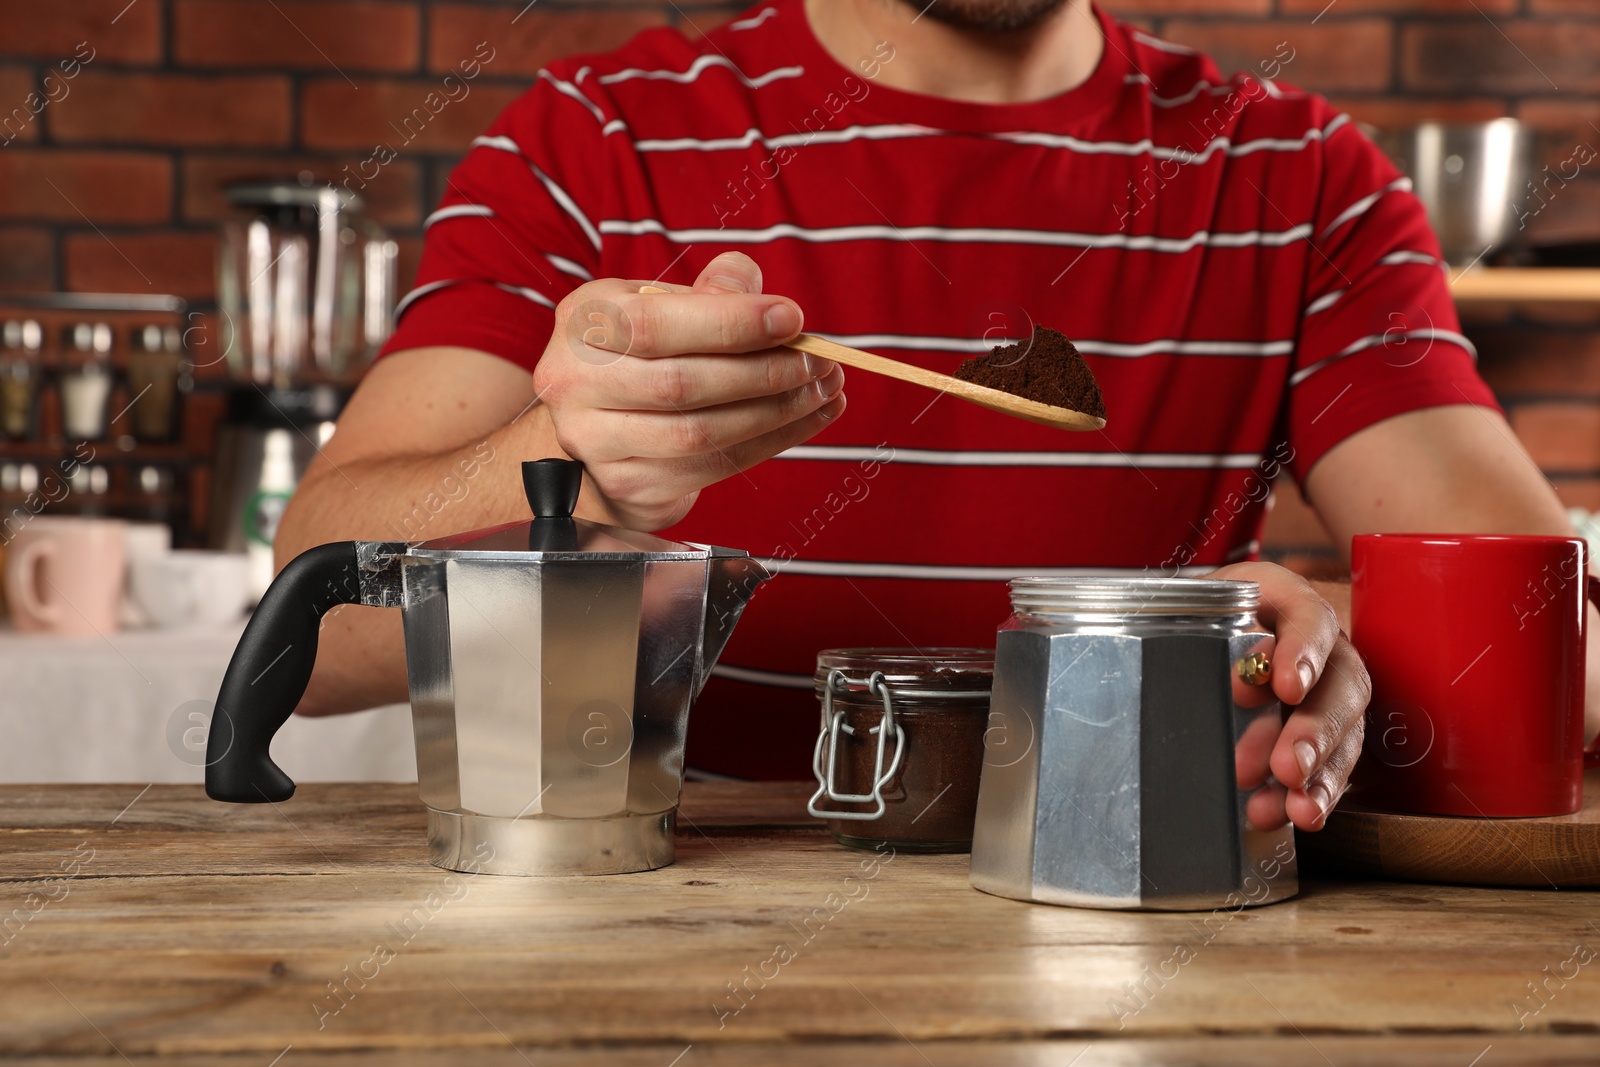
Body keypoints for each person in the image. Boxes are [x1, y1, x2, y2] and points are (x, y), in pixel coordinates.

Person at [274, 0, 1594, 833]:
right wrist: (571, 470)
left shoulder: (1301, 182)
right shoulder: (589, 143)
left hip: (1134, 933)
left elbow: (1560, 661)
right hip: (656, 923)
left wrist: (1289, 634)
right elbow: (312, 641)